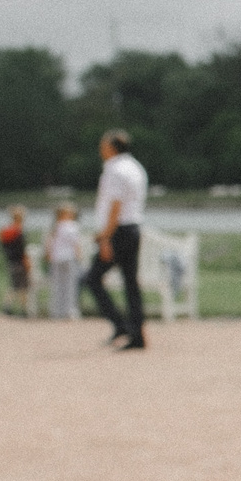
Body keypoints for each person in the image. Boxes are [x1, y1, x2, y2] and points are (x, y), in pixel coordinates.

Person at [85, 131, 149, 350]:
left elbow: (115, 205)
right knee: (131, 283)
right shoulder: (135, 167)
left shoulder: (114, 169)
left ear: (112, 147)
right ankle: (136, 333)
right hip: (132, 228)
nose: (100, 149)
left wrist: (105, 237)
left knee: (92, 278)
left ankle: (121, 325)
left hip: (118, 231)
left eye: (103, 145)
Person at [42, 205, 85, 319]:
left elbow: (49, 244)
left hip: (56, 259)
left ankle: (56, 311)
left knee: (57, 286)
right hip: (69, 258)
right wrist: (79, 257)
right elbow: (76, 244)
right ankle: (70, 311)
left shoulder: (54, 227)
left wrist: (48, 255)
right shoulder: (72, 226)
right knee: (70, 286)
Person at [0, 205, 32, 316]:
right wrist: (27, 262)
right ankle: (24, 310)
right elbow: (22, 250)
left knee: (13, 285)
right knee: (23, 287)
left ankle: (7, 307)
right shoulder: (19, 232)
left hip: (11, 261)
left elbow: (3, 246)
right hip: (19, 262)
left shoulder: (6, 231)